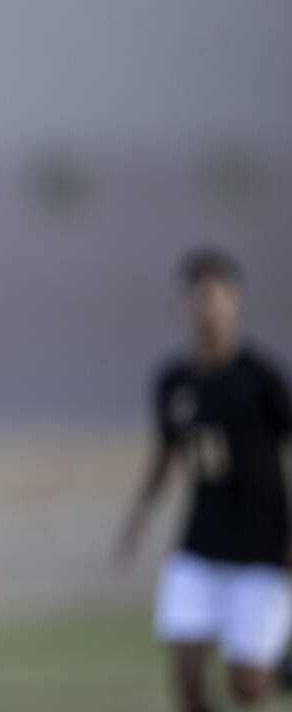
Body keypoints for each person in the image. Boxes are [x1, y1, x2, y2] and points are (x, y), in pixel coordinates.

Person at [117, 249, 292, 711]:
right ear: (184, 305)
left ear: (236, 303)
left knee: (247, 685)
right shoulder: (174, 382)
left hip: (261, 551)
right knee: (188, 678)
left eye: (215, 297)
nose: (205, 308)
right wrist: (138, 520)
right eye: (197, 298)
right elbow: (166, 455)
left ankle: (280, 665)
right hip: (200, 546)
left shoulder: (261, 380)